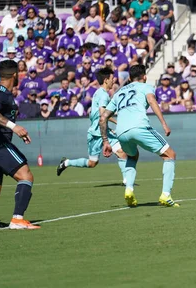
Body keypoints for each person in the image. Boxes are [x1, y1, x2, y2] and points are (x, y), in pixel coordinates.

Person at [100, 65, 179, 208]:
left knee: (132, 156)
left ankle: (129, 190)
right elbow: (152, 101)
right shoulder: (145, 87)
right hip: (139, 127)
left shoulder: (118, 93)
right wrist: (164, 124)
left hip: (121, 132)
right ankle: (165, 195)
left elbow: (103, 117)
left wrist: (106, 141)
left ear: (129, 78)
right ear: (145, 77)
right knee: (170, 155)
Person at [0, 60, 39, 229]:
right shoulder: (0, 92)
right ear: (15, 75)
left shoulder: (3, 92)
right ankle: (17, 219)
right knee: (26, 175)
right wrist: (14, 127)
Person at [56, 68, 128, 180]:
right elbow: (103, 114)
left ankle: (127, 182)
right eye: (112, 78)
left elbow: (102, 116)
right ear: (105, 80)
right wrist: (117, 122)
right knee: (92, 163)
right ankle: (66, 163)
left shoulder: (99, 92)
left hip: (103, 130)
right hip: (96, 133)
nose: (113, 80)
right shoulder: (103, 95)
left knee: (121, 152)